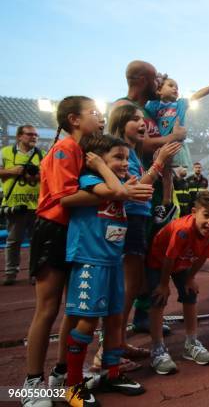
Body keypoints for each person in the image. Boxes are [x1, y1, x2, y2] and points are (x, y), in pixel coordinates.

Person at [22, 96, 105, 407]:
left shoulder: (84, 150)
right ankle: (32, 382)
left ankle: (62, 376)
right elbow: (64, 197)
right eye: (94, 112)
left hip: (76, 232)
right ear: (74, 120)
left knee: (74, 308)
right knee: (48, 307)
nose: (100, 117)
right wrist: (114, 193)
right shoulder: (65, 148)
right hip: (53, 232)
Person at [63, 135, 150, 406]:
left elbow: (125, 191)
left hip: (113, 261)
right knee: (87, 323)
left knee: (114, 320)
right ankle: (73, 385)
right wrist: (101, 166)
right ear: (97, 160)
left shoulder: (119, 183)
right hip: (91, 260)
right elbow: (115, 192)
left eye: (127, 158)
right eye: (119, 158)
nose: (125, 163)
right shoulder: (91, 182)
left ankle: (112, 373)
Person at [112, 60, 185, 339]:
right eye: (156, 80)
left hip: (152, 189)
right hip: (133, 190)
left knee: (152, 252)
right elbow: (127, 144)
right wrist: (171, 138)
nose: (160, 84)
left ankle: (142, 316)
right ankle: (114, 332)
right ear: (142, 80)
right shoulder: (123, 108)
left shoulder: (151, 110)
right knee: (131, 262)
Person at [147, 191, 209, 374]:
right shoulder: (183, 230)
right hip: (159, 261)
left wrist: (190, 278)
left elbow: (202, 257)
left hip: (182, 261)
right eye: (206, 216)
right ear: (193, 212)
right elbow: (168, 258)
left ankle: (191, 343)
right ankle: (157, 348)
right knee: (159, 298)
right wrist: (164, 284)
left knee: (190, 293)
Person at [145, 79, 209, 167]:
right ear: (159, 90)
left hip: (177, 147)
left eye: (177, 87)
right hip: (160, 146)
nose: (175, 89)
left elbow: (197, 95)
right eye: (170, 85)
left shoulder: (180, 104)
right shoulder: (153, 105)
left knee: (180, 172)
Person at [0, 125, 45, 285]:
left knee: (36, 242)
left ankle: (34, 273)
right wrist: (13, 171)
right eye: (30, 134)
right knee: (13, 241)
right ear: (19, 136)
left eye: (36, 135)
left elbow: (49, 176)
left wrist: (35, 176)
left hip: (37, 206)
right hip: (14, 204)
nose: (34, 137)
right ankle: (11, 273)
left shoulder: (43, 155)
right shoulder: (5, 152)